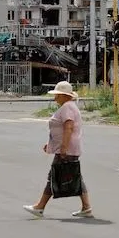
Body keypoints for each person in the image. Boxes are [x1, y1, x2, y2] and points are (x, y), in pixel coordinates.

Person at [23, 81, 93, 218]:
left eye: (57, 95)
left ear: (64, 95)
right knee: (75, 176)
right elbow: (61, 129)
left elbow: (68, 127)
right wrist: (51, 144)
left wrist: (63, 148)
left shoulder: (67, 108)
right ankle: (86, 207)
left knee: (54, 176)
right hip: (69, 148)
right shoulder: (69, 106)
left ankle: (40, 207)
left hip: (67, 149)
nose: (55, 98)